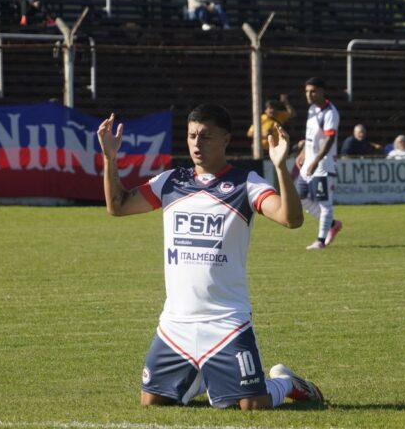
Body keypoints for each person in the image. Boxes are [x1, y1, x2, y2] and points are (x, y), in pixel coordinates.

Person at [97, 104, 324, 410]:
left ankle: (288, 383)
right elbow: (118, 206)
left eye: (205, 136)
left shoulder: (247, 184)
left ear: (226, 140)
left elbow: (290, 218)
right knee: (152, 402)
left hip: (227, 322)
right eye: (192, 136)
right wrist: (110, 158)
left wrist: (281, 167)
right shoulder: (171, 182)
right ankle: (205, 373)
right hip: (176, 323)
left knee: (252, 405)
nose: (196, 143)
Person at [295, 77, 343, 250]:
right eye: (307, 91)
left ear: (322, 92)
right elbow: (311, 137)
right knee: (299, 197)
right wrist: (303, 153)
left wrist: (316, 159)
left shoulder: (330, 112)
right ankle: (332, 225)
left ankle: (321, 241)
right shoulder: (312, 110)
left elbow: (329, 138)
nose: (309, 94)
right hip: (308, 163)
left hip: (323, 165)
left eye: (313, 91)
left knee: (325, 204)